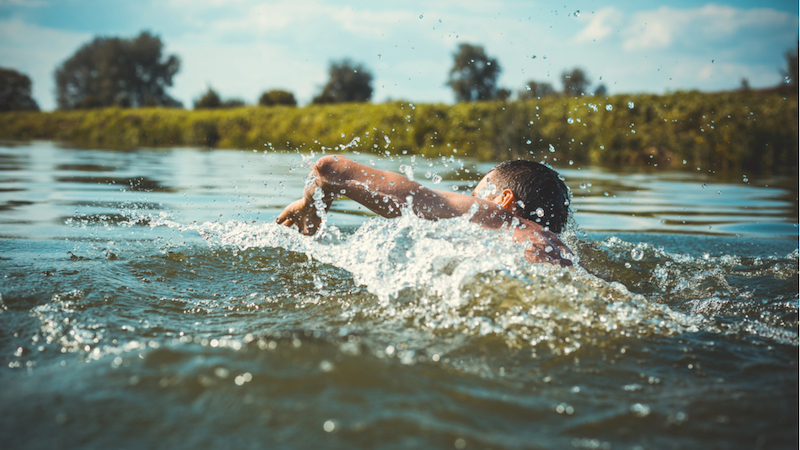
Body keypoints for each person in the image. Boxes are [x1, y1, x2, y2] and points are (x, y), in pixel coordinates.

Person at [276, 155, 573, 267]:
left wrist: (308, 206)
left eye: (476, 195)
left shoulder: (497, 216)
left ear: (505, 200)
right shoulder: (559, 249)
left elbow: (331, 169)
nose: (472, 201)